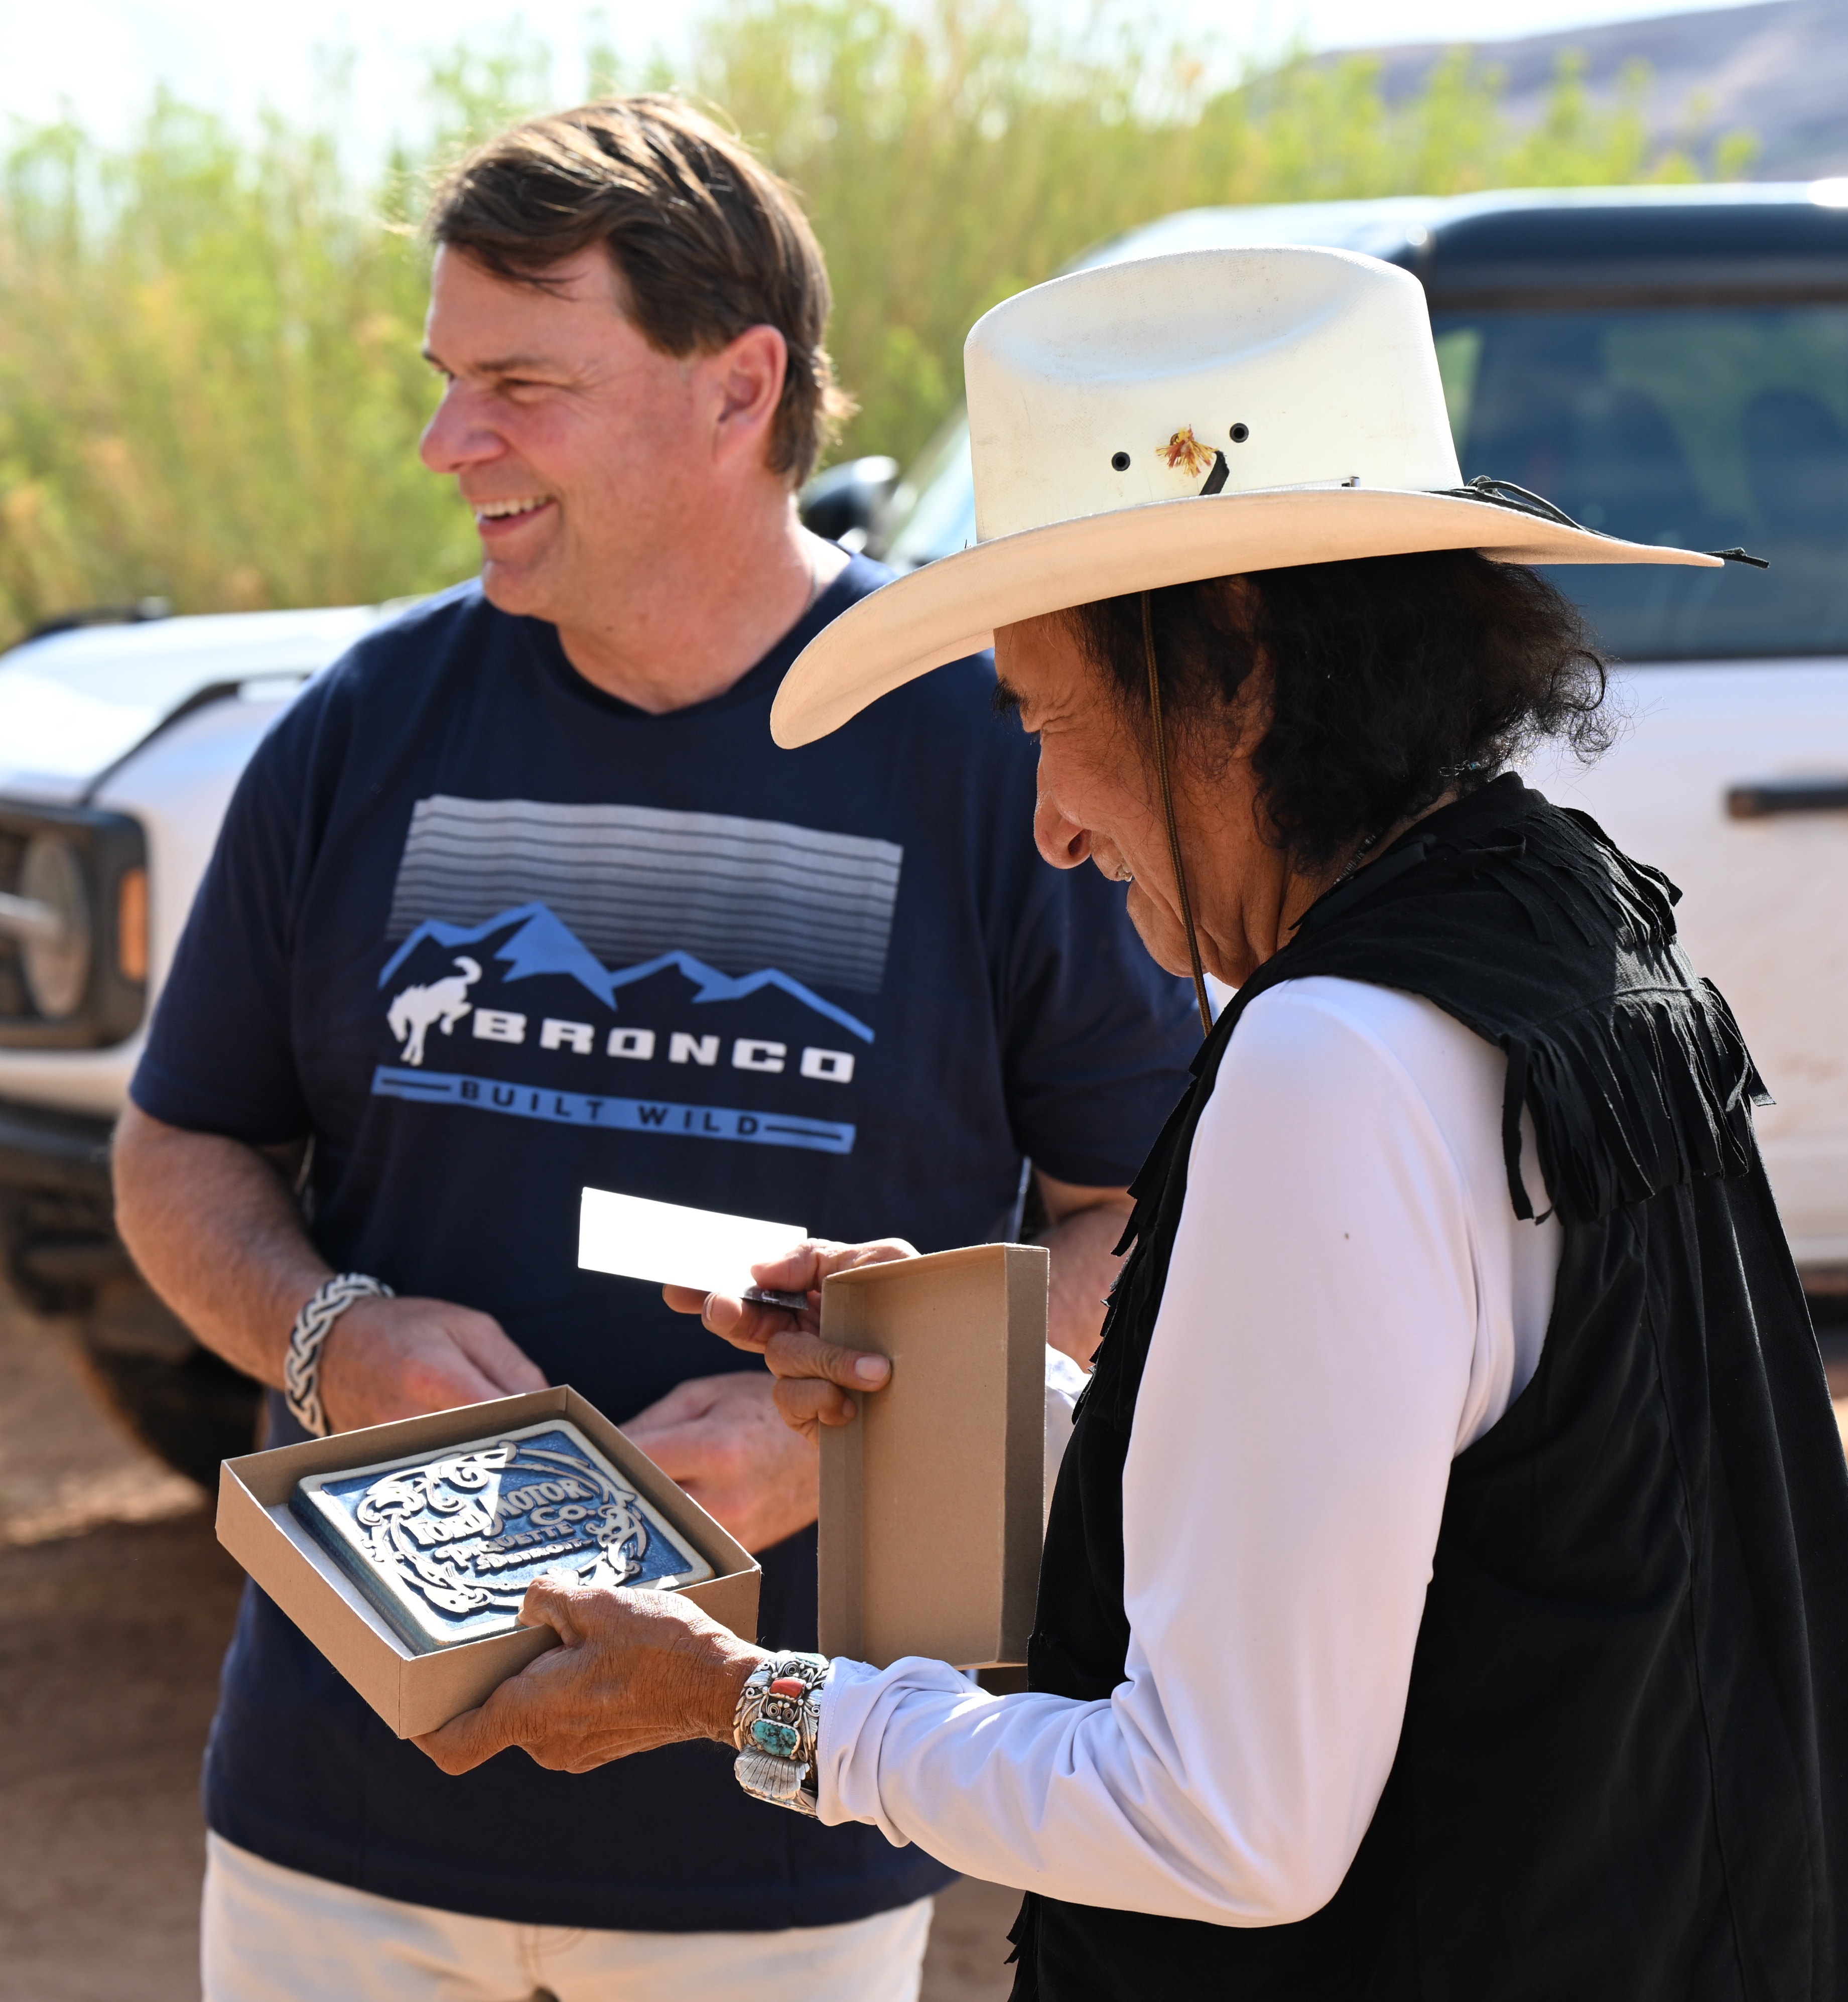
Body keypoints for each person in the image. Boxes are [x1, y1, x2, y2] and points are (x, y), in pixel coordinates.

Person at [415, 245, 1848, 2000]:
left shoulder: (1331, 1060)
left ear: (1233, 669)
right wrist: (961, 1397)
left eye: (1053, 721)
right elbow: (1408, 1506)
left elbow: (1220, 1821)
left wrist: (736, 1698)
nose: (1049, 822)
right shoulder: (1561, 931)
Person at [111, 98, 1198, 2002]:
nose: (453, 441)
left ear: (738, 385)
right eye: (449, 381)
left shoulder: (978, 746)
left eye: (521, 382)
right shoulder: (364, 724)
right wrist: (324, 1334)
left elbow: (1154, 1224)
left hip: (783, 1803)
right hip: (343, 1809)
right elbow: (181, 1149)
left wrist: (852, 1442)